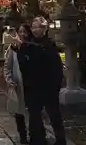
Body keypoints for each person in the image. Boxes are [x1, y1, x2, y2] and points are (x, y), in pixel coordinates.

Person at [16, 17, 66, 145]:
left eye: (38, 27)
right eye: (33, 27)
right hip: (33, 86)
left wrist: (56, 85)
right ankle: (37, 139)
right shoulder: (27, 44)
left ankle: (60, 140)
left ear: (44, 29)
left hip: (48, 86)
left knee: (54, 114)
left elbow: (56, 67)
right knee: (34, 115)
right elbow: (22, 64)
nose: (35, 30)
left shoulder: (49, 44)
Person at [3, 24, 31, 144]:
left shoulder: (32, 47)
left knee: (32, 112)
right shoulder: (12, 49)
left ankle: (34, 135)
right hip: (18, 85)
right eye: (20, 32)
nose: (23, 34)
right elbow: (7, 67)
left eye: (25, 32)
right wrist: (9, 80)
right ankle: (23, 136)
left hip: (31, 85)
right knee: (19, 112)